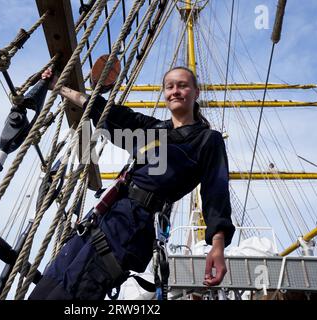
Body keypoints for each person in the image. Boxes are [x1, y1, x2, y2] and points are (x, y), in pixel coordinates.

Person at [28, 66, 235, 300]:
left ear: (196, 93)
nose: (175, 91)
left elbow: (215, 192)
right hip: (103, 215)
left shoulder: (207, 140)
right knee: (48, 284)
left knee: (76, 291)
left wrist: (218, 245)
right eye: (170, 87)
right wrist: (59, 86)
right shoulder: (151, 128)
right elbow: (106, 112)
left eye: (183, 85)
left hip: (133, 226)